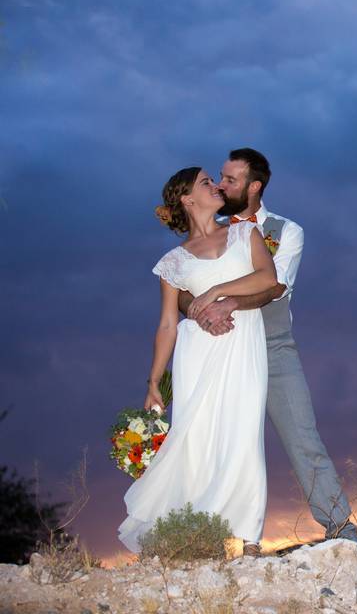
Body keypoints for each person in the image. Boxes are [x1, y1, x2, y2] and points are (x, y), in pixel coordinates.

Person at [177, 148, 357, 552]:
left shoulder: (286, 231)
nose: (221, 186)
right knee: (215, 444)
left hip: (273, 347)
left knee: (302, 436)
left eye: (230, 180)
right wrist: (197, 310)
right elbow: (180, 284)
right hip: (221, 350)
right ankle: (213, 538)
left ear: (254, 186)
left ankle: (340, 529)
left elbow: (275, 287)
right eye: (219, 178)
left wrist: (226, 302)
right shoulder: (211, 228)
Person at [118, 167, 277, 557]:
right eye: (206, 182)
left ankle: (247, 537)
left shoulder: (244, 232)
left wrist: (218, 292)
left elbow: (267, 278)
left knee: (244, 431)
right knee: (198, 438)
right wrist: (154, 382)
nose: (216, 185)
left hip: (242, 341)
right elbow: (169, 322)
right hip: (197, 350)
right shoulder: (172, 262)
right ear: (188, 199)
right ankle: (194, 533)